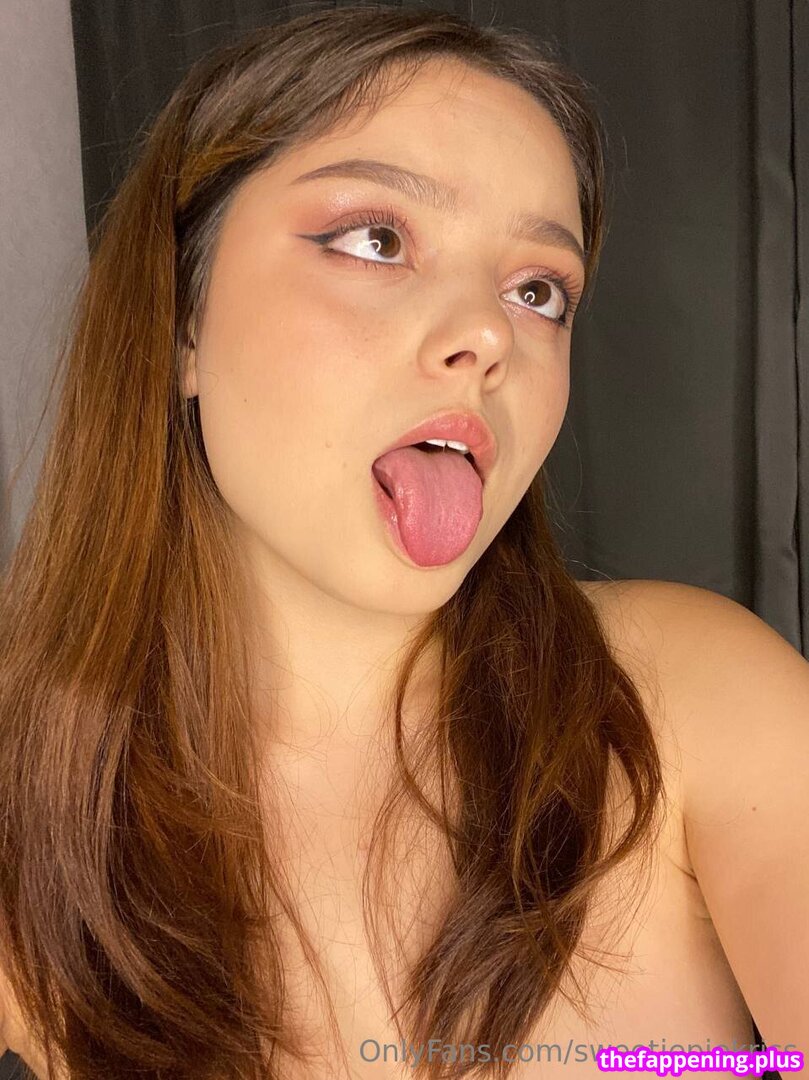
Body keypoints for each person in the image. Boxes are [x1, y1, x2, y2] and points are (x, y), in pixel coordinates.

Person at [0, 5, 807, 1079]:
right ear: (182, 319)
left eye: (537, 291)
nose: (488, 334)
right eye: (375, 239)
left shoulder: (693, 700)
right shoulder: (30, 814)